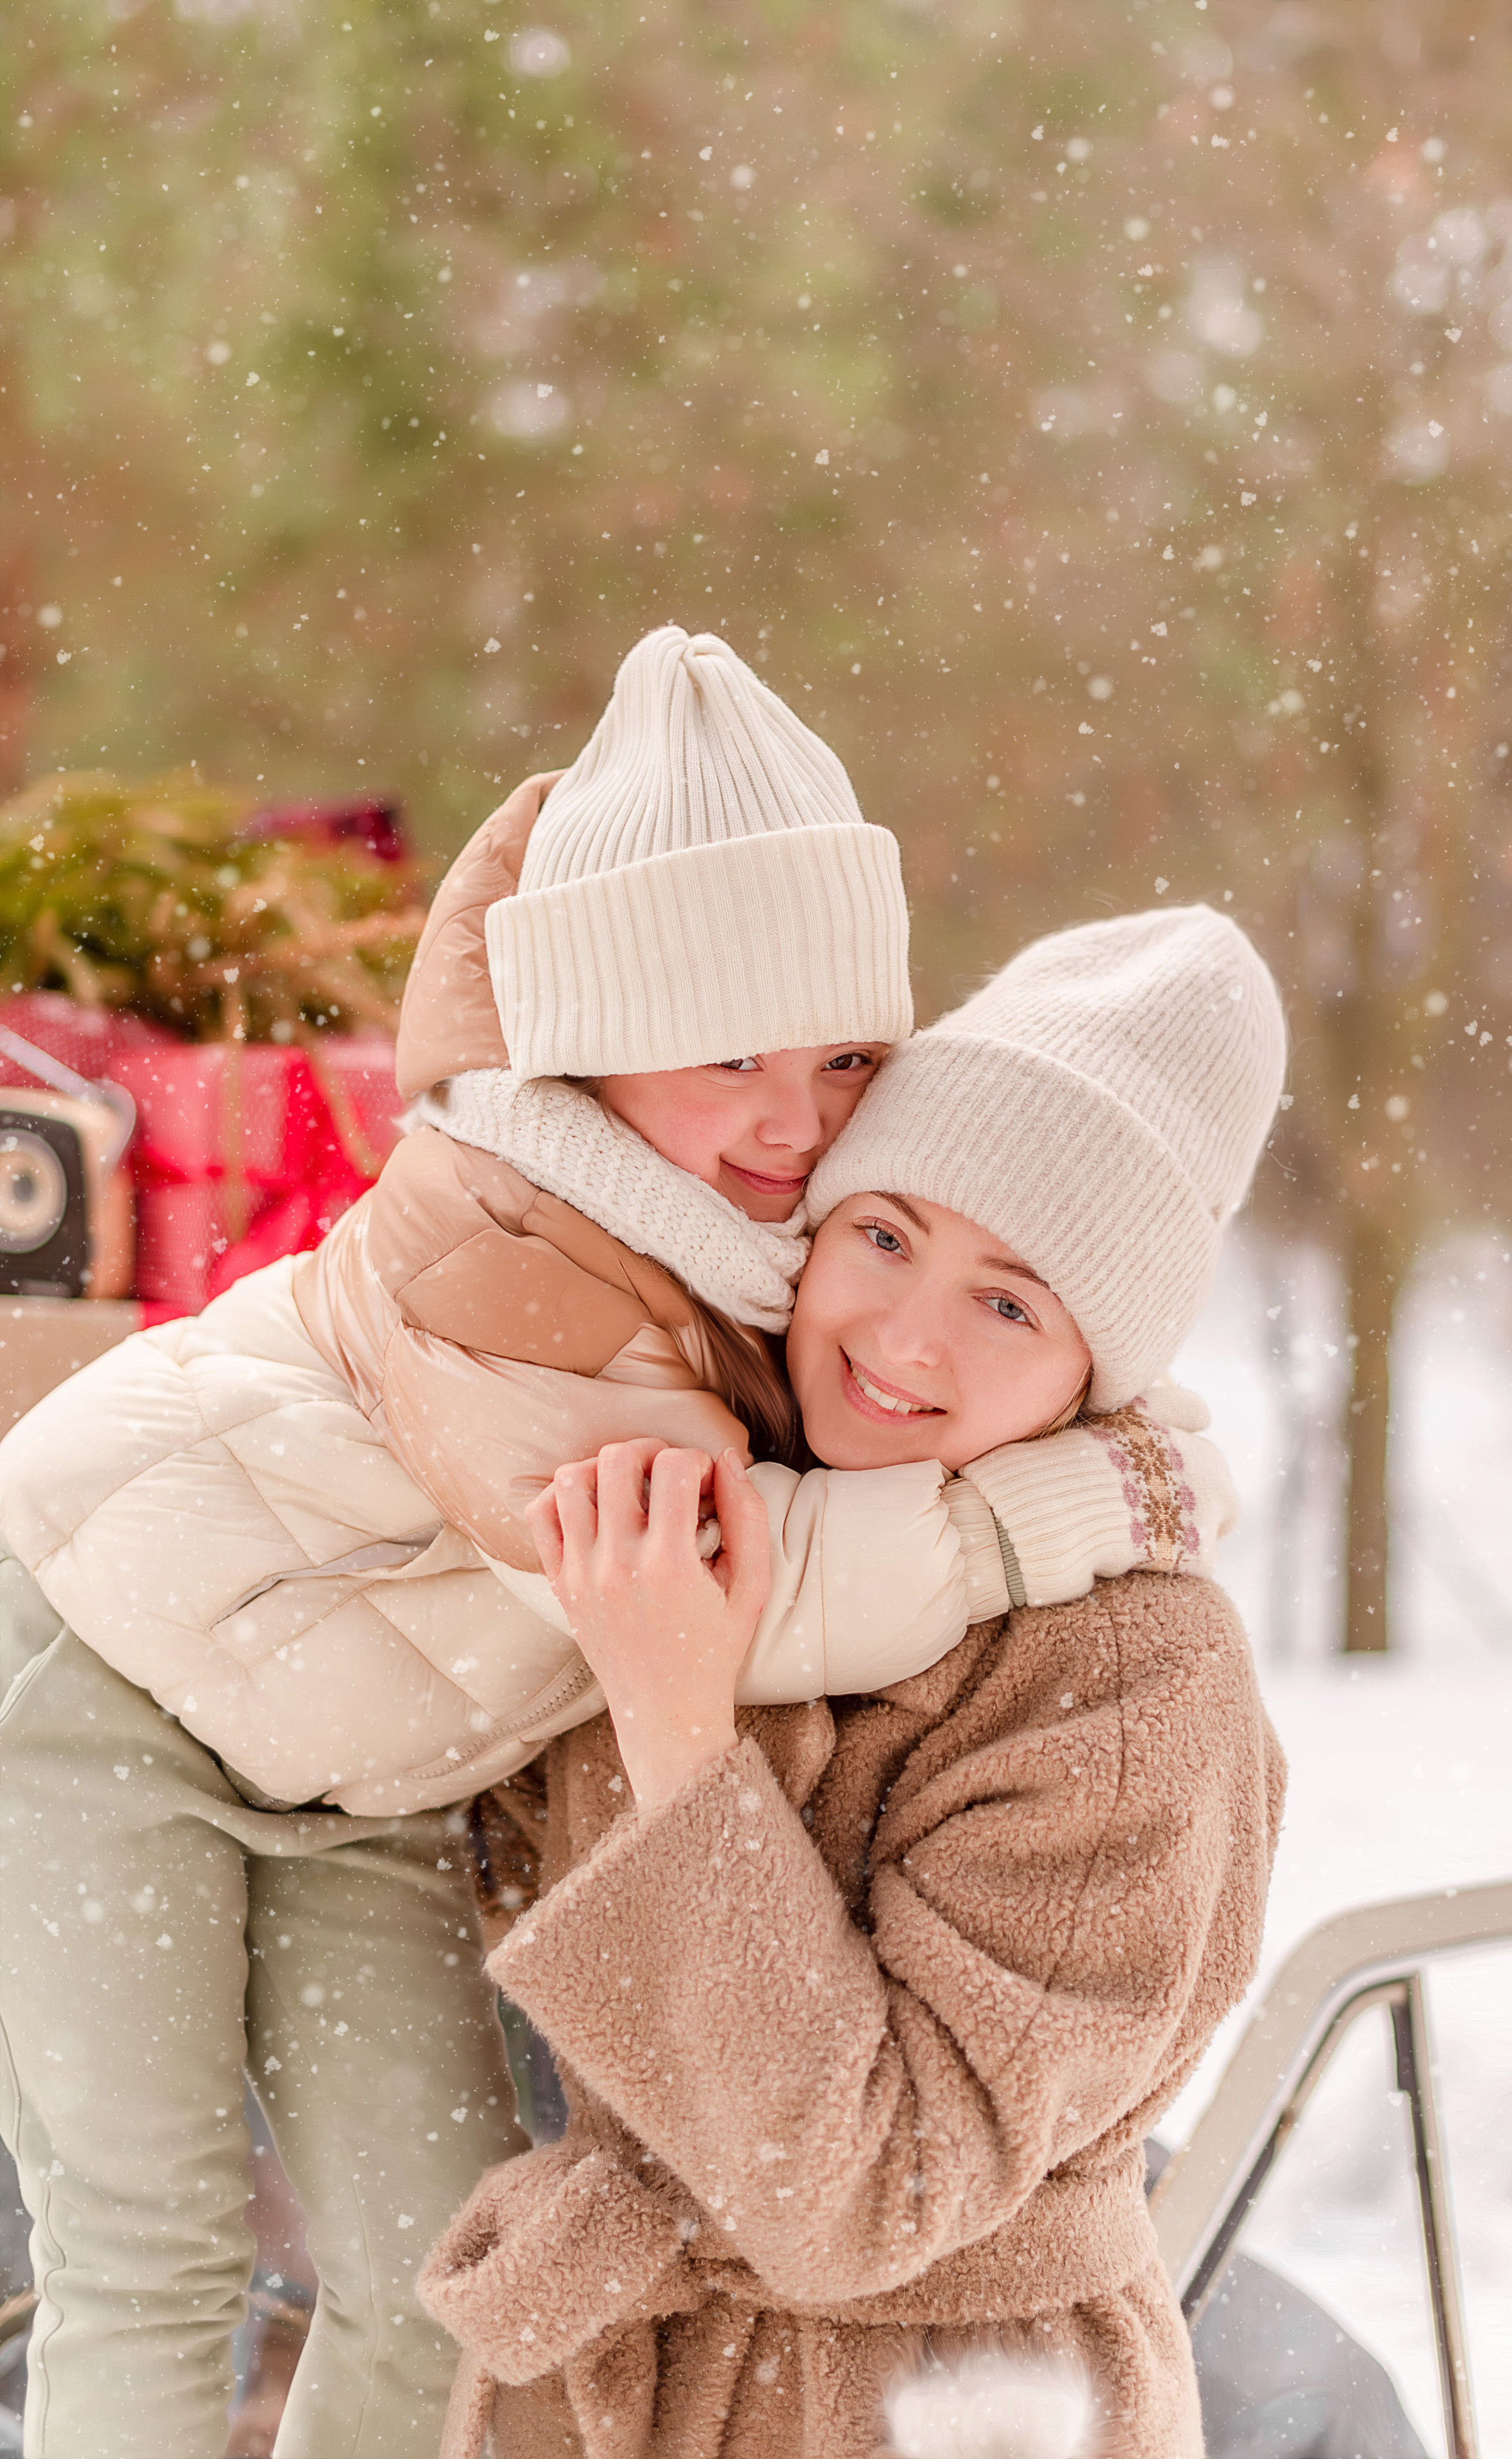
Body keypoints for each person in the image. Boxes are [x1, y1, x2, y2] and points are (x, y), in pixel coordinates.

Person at [0, 636, 1227, 2459]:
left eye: (843, 1059)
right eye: (728, 1054)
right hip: (105, 1664)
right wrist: (1058, 1507)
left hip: (354, 1765)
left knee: (430, 2277)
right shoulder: (507, 1243)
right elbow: (715, 1586)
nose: (793, 1116)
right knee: (154, 2244)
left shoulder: (748, 1242)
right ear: (591, 1039)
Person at [421, 905, 1290, 2459]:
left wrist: (677, 1728)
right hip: (622, 2384)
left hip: (942, 2406)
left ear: (1096, 1369)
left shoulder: (1129, 1680)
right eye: (882, 1235)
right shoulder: (739, 1509)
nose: (900, 1335)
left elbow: (861, 2193)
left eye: (1007, 1302)